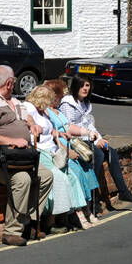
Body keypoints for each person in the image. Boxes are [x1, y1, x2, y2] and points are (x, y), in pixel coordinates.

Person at [0, 66, 53, 246]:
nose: (15, 83)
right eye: (14, 81)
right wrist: (11, 140)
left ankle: (27, 222)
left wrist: (32, 125)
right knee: (22, 179)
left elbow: (26, 117)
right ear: (9, 83)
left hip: (17, 157)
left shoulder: (13, 100)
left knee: (45, 176)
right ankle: (11, 232)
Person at [59, 74, 132, 213]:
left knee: (110, 151)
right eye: (82, 85)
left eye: (87, 85)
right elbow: (68, 126)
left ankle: (123, 191)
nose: (85, 88)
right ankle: (93, 197)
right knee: (97, 154)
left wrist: (99, 140)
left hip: (87, 137)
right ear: (75, 86)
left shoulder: (85, 103)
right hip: (74, 140)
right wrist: (89, 136)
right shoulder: (68, 103)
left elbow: (90, 125)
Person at [22, 85, 88, 230]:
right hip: (41, 151)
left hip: (53, 150)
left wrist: (58, 133)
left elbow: (48, 129)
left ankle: (65, 217)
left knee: (71, 176)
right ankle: (50, 222)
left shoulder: (43, 112)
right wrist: (32, 124)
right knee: (58, 178)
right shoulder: (29, 107)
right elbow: (27, 118)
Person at [46, 78, 98, 228]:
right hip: (61, 150)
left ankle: (88, 210)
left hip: (70, 145)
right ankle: (79, 214)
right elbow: (52, 136)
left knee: (86, 171)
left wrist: (86, 132)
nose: (61, 99)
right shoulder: (48, 113)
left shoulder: (57, 111)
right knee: (76, 174)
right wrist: (68, 152)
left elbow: (69, 126)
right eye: (60, 96)